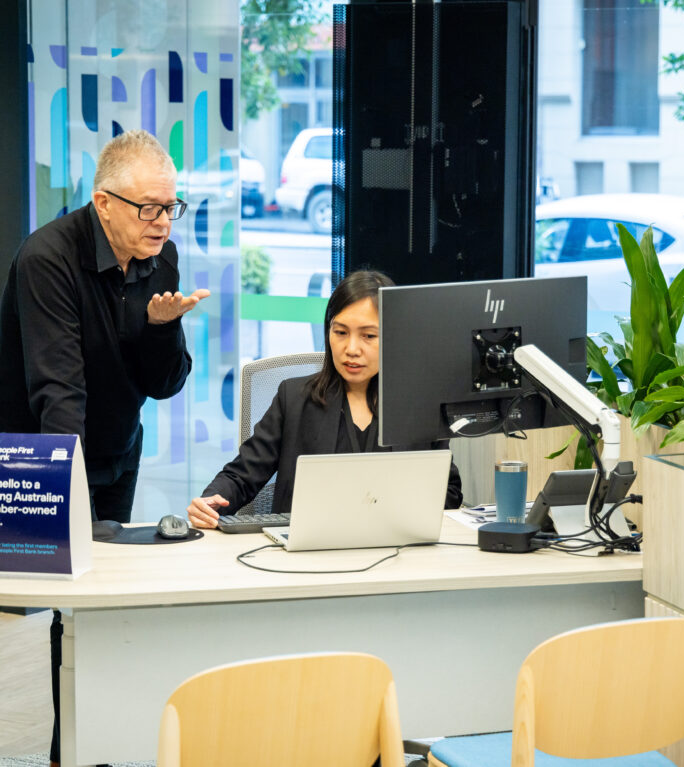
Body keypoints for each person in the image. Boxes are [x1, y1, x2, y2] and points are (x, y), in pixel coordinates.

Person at [0, 129, 210, 767]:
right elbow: (58, 396)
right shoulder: (48, 259)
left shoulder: (159, 258)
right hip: (40, 463)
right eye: (149, 208)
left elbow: (165, 383)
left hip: (119, 447)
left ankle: (103, 743)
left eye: (172, 207)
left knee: (105, 608)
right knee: (51, 608)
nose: (162, 222)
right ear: (104, 203)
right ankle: (55, 747)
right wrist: (74, 508)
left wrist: (160, 329)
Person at [187, 270, 462, 528]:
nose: (351, 349)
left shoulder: (420, 406)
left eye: (368, 336)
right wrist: (212, 501)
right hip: (305, 554)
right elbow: (242, 475)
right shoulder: (294, 399)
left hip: (395, 550)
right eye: (340, 332)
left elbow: (447, 491)